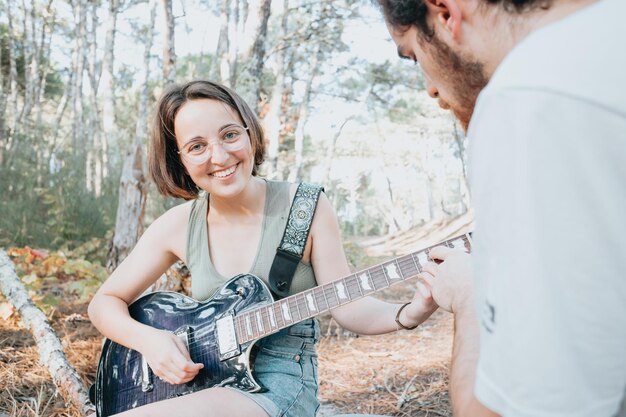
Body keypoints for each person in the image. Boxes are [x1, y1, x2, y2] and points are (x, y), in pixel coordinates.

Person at [88, 80, 438, 417]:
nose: (220, 156)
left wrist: (407, 313)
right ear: (180, 160)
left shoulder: (306, 208)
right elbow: (104, 303)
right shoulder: (178, 224)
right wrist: (150, 341)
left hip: (278, 385)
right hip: (201, 384)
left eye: (229, 135)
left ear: (250, 134)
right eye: (197, 146)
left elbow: (348, 305)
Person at [375, 0, 626, 416]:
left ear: (444, 12)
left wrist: (468, 294)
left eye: (414, 56)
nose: (430, 88)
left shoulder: (527, 100)